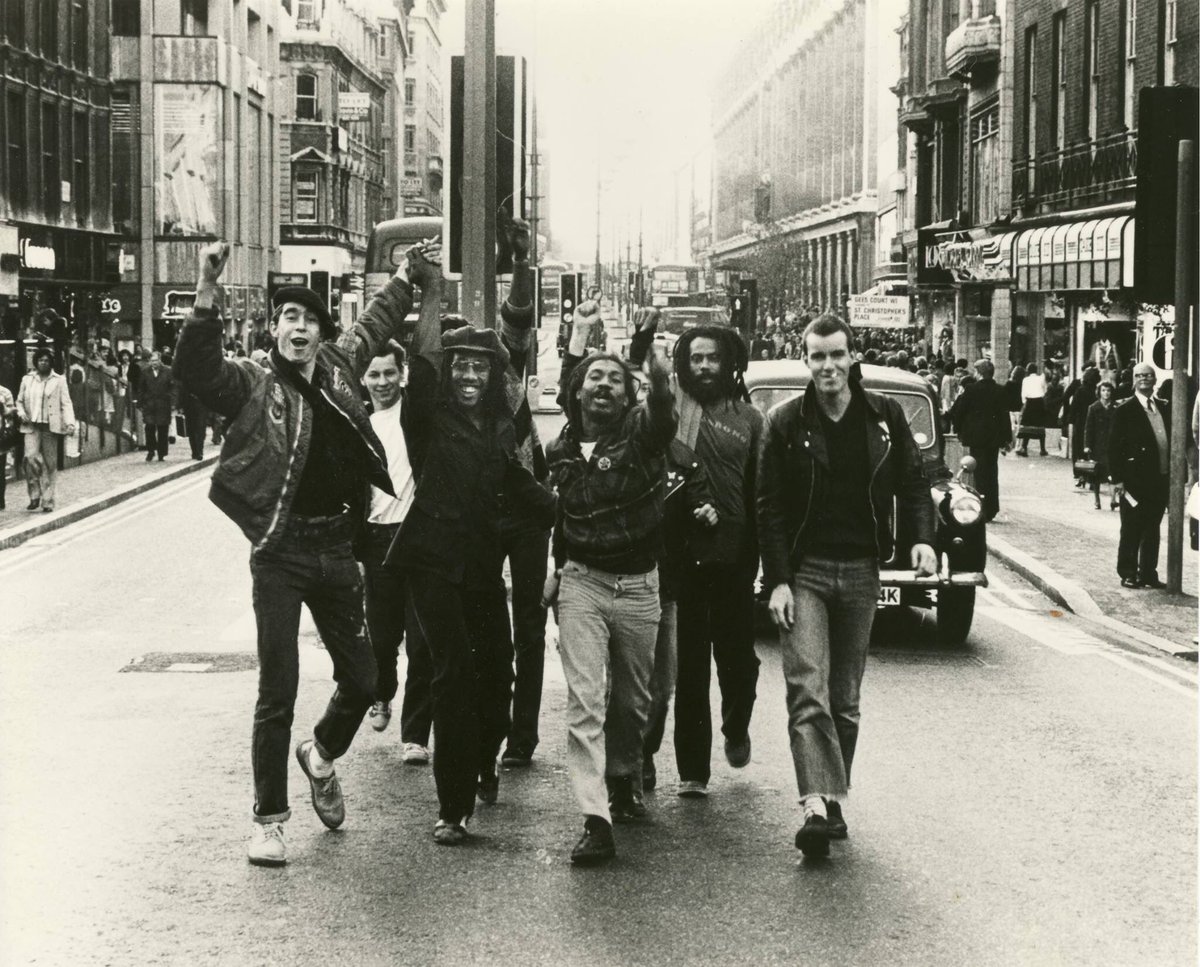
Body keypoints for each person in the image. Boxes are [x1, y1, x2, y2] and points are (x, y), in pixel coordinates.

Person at [174, 241, 421, 868]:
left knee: (365, 678)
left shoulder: (340, 366)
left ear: (321, 333)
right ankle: (269, 821)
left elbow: (376, 323)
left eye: (309, 319)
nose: (299, 327)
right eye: (289, 318)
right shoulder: (254, 386)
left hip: (339, 548)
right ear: (274, 329)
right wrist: (206, 287)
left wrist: (403, 275)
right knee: (277, 686)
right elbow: (200, 370)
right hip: (282, 553)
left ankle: (321, 753)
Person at [385, 248, 555, 846]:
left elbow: (522, 487)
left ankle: (484, 759)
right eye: (460, 368)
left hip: (481, 566)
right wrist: (430, 288)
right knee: (453, 675)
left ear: (491, 379)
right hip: (431, 561)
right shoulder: (426, 419)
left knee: (500, 675)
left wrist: (578, 516)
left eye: (479, 371)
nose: (467, 377)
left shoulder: (501, 429)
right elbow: (426, 358)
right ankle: (452, 807)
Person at [757, 313, 936, 859]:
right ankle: (815, 803)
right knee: (807, 687)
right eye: (818, 357)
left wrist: (922, 540)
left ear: (851, 357)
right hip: (806, 570)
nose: (828, 366)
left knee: (846, 700)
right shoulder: (785, 422)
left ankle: (834, 798)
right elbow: (768, 507)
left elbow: (913, 482)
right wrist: (779, 580)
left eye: (837, 355)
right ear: (806, 361)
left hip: (862, 568)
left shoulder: (884, 417)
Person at [543, 326, 676, 866]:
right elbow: (560, 517)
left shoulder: (642, 436)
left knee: (633, 700)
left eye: (614, 381)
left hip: (640, 585)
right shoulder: (559, 450)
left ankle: (624, 777)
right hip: (582, 582)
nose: (603, 386)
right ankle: (595, 820)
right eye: (594, 377)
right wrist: (554, 570)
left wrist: (660, 377)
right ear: (577, 391)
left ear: (628, 395)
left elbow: (662, 415)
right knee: (585, 701)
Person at [629, 319, 763, 797]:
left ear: (729, 363)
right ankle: (692, 772)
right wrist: (646, 347)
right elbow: (645, 381)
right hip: (679, 557)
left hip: (734, 559)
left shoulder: (750, 420)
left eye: (713, 358)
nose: (704, 367)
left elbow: (761, 493)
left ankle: (736, 727)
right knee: (689, 670)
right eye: (695, 358)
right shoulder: (671, 407)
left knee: (738, 662)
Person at [495, 219, 555, 770]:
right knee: (487, 626)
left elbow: (516, 319)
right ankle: (490, 723)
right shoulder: (444, 390)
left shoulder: (504, 368)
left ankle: (523, 735)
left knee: (529, 627)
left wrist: (519, 263)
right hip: (483, 513)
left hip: (528, 508)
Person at [358, 339, 427, 761]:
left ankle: (415, 735)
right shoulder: (359, 422)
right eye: (373, 374)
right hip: (376, 538)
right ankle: (382, 692)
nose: (382, 382)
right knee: (382, 638)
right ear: (363, 380)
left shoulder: (417, 413)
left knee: (423, 643)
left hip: (417, 536)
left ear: (402, 373)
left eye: (389, 372)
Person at [640, 439, 718, 794]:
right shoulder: (616, 446)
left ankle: (642, 751)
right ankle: (621, 768)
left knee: (660, 685)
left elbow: (701, 501)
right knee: (617, 686)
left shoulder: (685, 461)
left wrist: (706, 511)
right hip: (616, 578)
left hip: (665, 587)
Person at [1107, 363, 1171, 589]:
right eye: (1140, 376)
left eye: (1149, 375)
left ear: (1155, 380)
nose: (1144, 379)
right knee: (1132, 528)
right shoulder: (1124, 410)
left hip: (1159, 479)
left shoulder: (1162, 407)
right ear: (1134, 380)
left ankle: (1148, 573)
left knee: (1152, 528)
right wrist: (1117, 480)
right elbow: (1114, 447)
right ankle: (1127, 572)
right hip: (1134, 481)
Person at [950, 359, 1012, 522]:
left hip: (975, 437)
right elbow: (1004, 416)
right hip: (993, 438)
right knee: (992, 471)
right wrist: (1007, 438)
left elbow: (959, 411)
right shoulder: (1000, 390)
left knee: (978, 472)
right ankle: (992, 507)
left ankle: (980, 506)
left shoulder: (971, 389)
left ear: (978, 373)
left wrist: (958, 429)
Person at [16, 347, 76, 514]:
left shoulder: (59, 380)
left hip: (50, 428)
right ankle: (34, 494)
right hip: (31, 426)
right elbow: (19, 401)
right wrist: (21, 412)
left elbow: (66, 403)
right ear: (36, 362)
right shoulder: (27, 379)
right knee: (30, 458)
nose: (43, 363)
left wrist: (70, 423)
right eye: (41, 360)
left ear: (51, 363)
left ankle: (48, 501)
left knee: (50, 465)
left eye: (47, 360)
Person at [1083, 380, 1116, 510]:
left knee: (1113, 472)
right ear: (1099, 392)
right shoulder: (1093, 408)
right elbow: (1088, 428)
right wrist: (1087, 445)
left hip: (1112, 445)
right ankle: (1097, 500)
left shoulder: (1116, 407)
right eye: (1103, 390)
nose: (1106, 393)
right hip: (1097, 446)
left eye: (1108, 390)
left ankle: (1113, 499)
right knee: (1097, 473)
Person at [138, 351, 175, 461]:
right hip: (149, 404)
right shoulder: (145, 372)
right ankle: (150, 451)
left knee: (163, 429)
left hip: (163, 404)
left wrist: (172, 401)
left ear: (160, 360)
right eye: (152, 361)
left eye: (155, 361)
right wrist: (140, 403)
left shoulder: (168, 371)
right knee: (149, 428)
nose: (153, 363)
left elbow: (173, 388)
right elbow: (141, 388)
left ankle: (161, 453)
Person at [1016, 362, 1048, 456]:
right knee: (1040, 426)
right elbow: (1045, 390)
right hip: (1039, 403)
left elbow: (1023, 393)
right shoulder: (1041, 378)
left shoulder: (1025, 380)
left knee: (1027, 426)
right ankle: (1042, 449)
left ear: (1028, 371)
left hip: (1029, 402)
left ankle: (1024, 447)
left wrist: (1024, 403)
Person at [0, 382, 16, 510]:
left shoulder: (5, 392)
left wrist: (5, 409)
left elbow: (11, 414)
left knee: (0, 470)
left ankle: (0, 501)